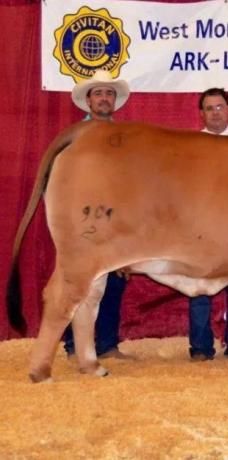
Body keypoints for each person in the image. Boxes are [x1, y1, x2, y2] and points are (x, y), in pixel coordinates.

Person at [63, 69, 132, 359]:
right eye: (99, 93)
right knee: (79, 283)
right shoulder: (74, 137)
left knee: (114, 283)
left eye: (109, 94)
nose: (104, 98)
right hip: (83, 221)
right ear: (89, 101)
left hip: (116, 221)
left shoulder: (125, 138)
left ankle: (107, 344)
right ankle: (72, 344)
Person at [188, 87, 228, 361]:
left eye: (219, 107)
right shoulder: (190, 146)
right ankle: (201, 347)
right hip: (202, 228)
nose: (214, 113)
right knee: (199, 288)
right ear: (201, 113)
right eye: (209, 109)